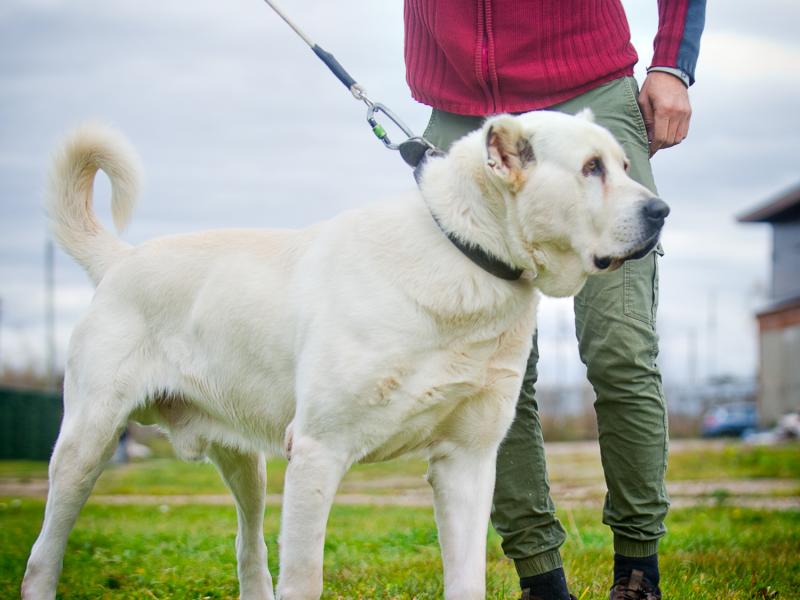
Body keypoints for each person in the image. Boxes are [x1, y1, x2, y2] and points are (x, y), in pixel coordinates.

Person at [402, 2, 706, 599]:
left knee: (620, 348)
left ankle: (638, 573)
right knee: (491, 374)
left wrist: (673, 62)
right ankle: (541, 581)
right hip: (463, 117)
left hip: (587, 97)